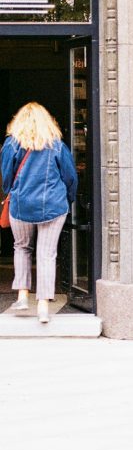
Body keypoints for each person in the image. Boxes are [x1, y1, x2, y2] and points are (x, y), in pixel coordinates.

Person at [1, 102, 78, 323]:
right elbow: (70, 177)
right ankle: (43, 305)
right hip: (53, 206)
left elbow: (6, 178)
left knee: (22, 247)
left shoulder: (11, 145)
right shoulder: (57, 146)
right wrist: (68, 200)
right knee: (47, 254)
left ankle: (23, 296)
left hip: (21, 206)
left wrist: (13, 192)